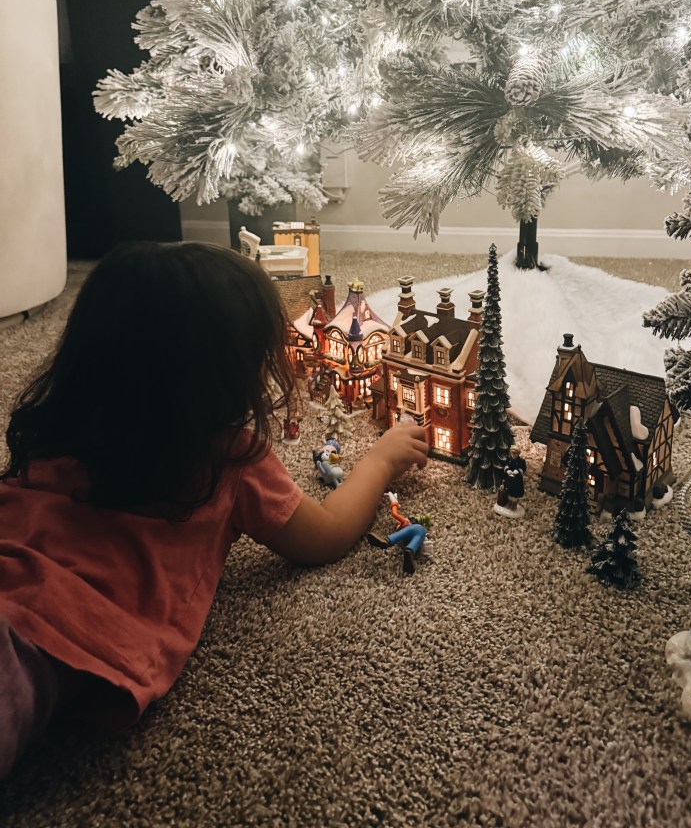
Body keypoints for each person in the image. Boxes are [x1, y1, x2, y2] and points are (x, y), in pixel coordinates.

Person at [0, 242, 428, 778]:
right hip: (41, 634)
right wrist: (380, 460)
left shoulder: (59, 429)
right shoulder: (227, 459)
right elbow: (327, 535)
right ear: (224, 377)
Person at [366, 491, 432, 574]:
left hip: (415, 529)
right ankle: (409, 551)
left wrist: (394, 501)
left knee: (402, 533)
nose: (397, 527)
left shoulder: (406, 523)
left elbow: (394, 513)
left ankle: (387, 541)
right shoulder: (419, 532)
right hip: (421, 532)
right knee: (414, 542)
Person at [493, 445, 526, 519]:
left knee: (514, 494)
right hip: (509, 479)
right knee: (508, 491)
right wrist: (507, 470)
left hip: (517, 480)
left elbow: (523, 469)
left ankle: (513, 506)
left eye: (515, 453)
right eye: (512, 453)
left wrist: (517, 471)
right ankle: (508, 504)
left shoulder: (521, 461)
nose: (513, 455)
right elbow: (506, 466)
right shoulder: (508, 459)